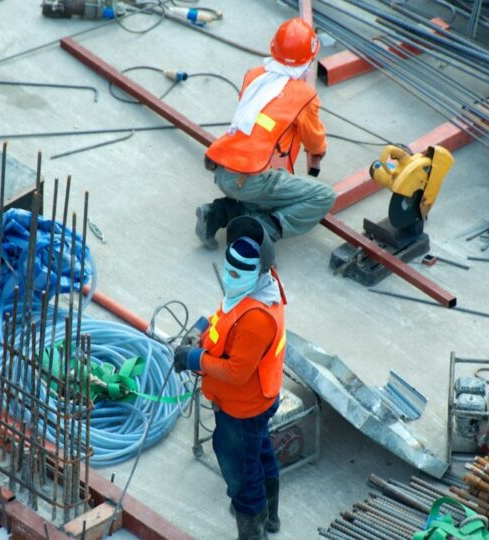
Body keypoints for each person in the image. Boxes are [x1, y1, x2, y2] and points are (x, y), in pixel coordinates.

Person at [175, 216, 287, 540]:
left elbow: (237, 372)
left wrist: (194, 358)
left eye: (238, 273)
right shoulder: (258, 288)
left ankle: (253, 526)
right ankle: (270, 517)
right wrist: (199, 328)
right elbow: (224, 317)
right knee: (260, 451)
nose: (230, 276)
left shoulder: (256, 318)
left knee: (241, 474)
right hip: (258, 400)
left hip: (243, 407)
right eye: (228, 269)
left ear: (258, 272)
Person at [196, 17, 336, 250]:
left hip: (222, 168)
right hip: (250, 178)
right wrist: (318, 154)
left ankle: (216, 214)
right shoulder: (304, 96)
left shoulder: (255, 75)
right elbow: (314, 141)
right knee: (322, 196)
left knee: (269, 191)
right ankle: (264, 229)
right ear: (309, 60)